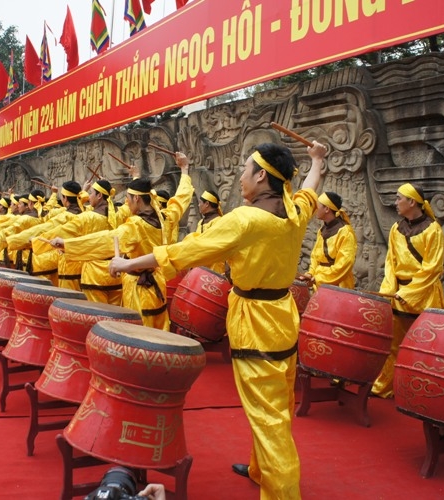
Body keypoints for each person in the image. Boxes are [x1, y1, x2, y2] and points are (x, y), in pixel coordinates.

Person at [109, 140, 328, 499]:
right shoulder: (293, 210)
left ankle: (283, 493)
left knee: (270, 419)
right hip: (283, 316)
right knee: (277, 407)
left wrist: (126, 263)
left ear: (261, 175)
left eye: (245, 170)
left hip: (257, 325)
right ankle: (261, 469)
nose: (241, 177)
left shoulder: (245, 220)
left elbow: (183, 251)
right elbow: (309, 189)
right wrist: (317, 160)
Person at [371, 183, 444, 398]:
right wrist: (389, 289)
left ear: (412, 202)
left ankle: (421, 392)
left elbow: (432, 269)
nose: (396, 203)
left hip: (424, 295)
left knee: (424, 347)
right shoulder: (396, 228)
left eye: (399, 198)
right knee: (394, 345)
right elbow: (391, 262)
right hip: (398, 294)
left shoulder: (433, 230)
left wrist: (409, 293)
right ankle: (386, 386)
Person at [297, 191, 356, 290]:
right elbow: (315, 257)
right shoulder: (322, 230)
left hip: (338, 286)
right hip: (319, 282)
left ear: (327, 209)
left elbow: (344, 264)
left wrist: (318, 278)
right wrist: (310, 273)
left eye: (318, 206)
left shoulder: (345, 232)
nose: (316, 209)